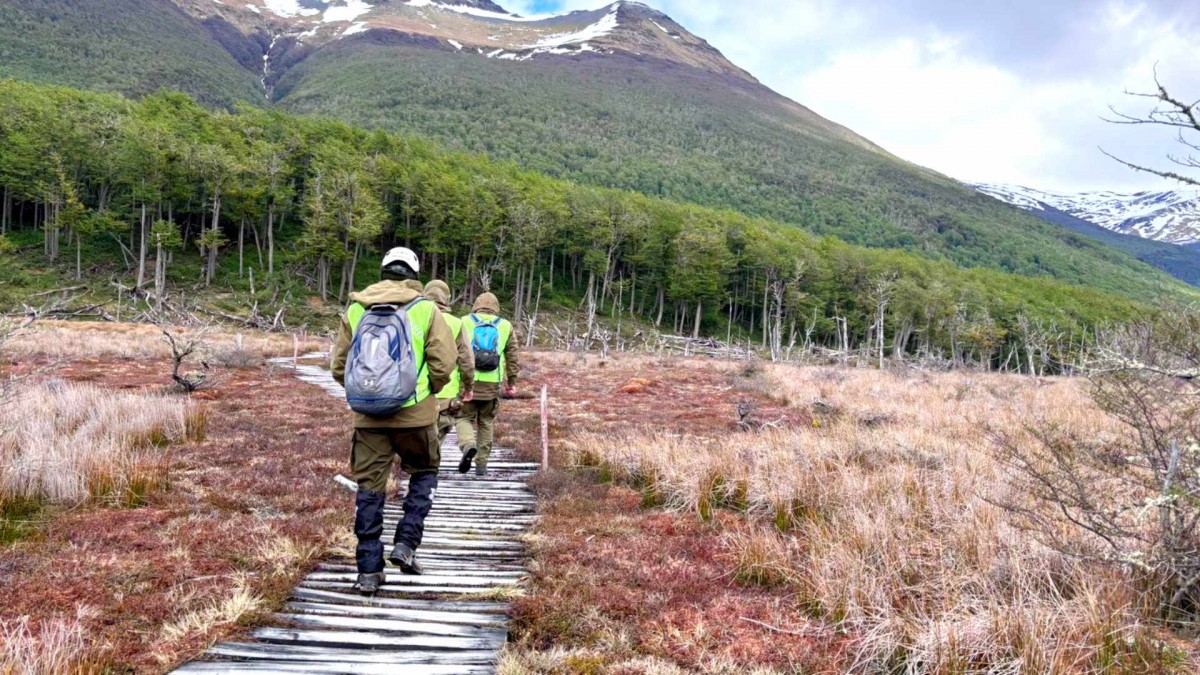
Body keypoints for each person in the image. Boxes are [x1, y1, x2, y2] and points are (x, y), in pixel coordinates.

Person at [330, 247, 456, 595]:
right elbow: (444, 364)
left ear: (383, 270)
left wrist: (367, 395)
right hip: (416, 416)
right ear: (413, 274)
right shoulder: (425, 309)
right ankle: (406, 544)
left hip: (368, 419)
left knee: (369, 489)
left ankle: (369, 571)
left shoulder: (356, 308)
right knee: (425, 472)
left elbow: (339, 367)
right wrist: (425, 393)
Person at [456, 292, 520, 476]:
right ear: (496, 307)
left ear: (476, 305)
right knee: (486, 422)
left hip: (468, 382)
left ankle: (468, 445)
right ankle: (482, 465)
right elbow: (512, 357)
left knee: (463, 418)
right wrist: (512, 382)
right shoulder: (505, 326)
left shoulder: (464, 321)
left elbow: (454, 350)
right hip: (492, 385)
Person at [424, 279, 475, 445]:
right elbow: (466, 361)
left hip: (415, 394)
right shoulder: (456, 323)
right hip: (446, 395)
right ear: (446, 298)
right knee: (436, 442)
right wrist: (468, 387)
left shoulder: (412, 317)